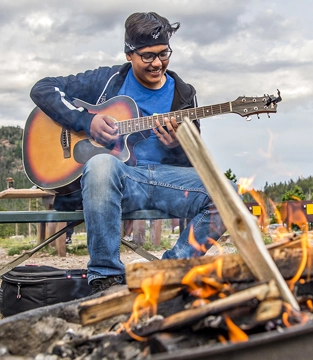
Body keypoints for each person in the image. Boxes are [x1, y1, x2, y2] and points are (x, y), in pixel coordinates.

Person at [30, 12, 227, 293]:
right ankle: (107, 277)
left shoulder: (184, 95)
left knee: (228, 193)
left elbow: (190, 164)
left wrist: (177, 144)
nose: (157, 63)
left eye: (164, 54)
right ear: (128, 54)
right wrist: (87, 121)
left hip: (164, 181)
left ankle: (167, 271)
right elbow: (43, 88)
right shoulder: (107, 80)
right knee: (101, 164)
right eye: (147, 56)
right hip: (116, 180)